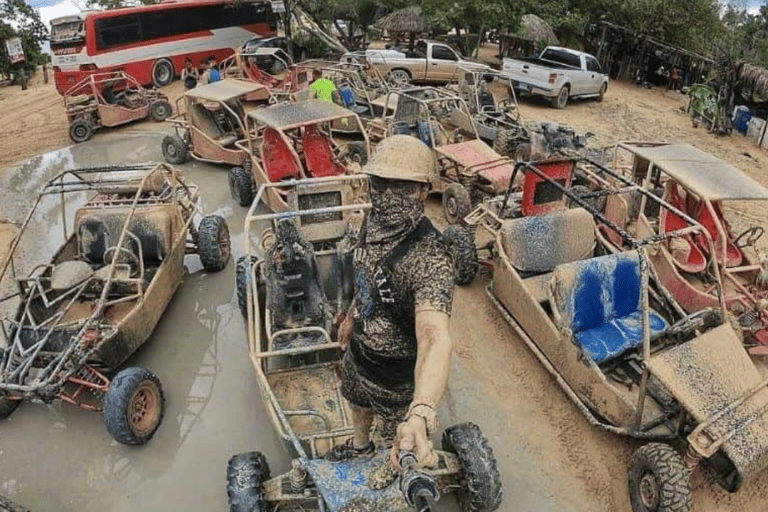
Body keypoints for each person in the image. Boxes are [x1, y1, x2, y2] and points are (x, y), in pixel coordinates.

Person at [326, 135, 454, 478]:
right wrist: (351, 318)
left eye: (402, 188)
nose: (387, 197)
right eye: (379, 185)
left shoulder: (430, 258)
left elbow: (434, 336)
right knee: (355, 401)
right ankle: (359, 446)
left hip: (397, 380)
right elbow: (365, 273)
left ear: (424, 192)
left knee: (399, 440)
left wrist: (421, 413)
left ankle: (388, 466)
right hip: (360, 354)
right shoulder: (372, 222)